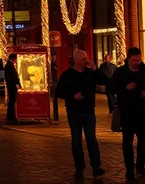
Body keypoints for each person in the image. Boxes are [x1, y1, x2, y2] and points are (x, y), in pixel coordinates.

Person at [56, 49, 107, 179]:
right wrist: (73, 96)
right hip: (74, 111)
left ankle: (96, 167)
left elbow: (105, 81)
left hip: (88, 111)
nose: (86, 61)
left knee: (91, 139)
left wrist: (96, 69)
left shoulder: (90, 73)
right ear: (76, 60)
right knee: (76, 140)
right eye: (84, 59)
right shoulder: (67, 74)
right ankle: (79, 167)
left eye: (87, 58)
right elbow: (59, 91)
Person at [111, 47, 145, 180]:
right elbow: (111, 87)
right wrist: (125, 87)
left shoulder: (144, 70)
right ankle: (129, 168)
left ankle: (140, 166)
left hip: (142, 112)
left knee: (144, 140)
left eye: (139, 59)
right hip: (127, 113)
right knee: (127, 142)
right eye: (135, 60)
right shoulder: (120, 72)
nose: (137, 62)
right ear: (129, 58)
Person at [4, 53, 21, 123]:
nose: (16, 60)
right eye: (16, 59)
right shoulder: (10, 65)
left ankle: (10, 116)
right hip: (12, 86)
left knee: (11, 101)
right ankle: (11, 116)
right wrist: (18, 83)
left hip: (10, 85)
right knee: (12, 101)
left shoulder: (8, 65)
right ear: (13, 58)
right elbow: (14, 76)